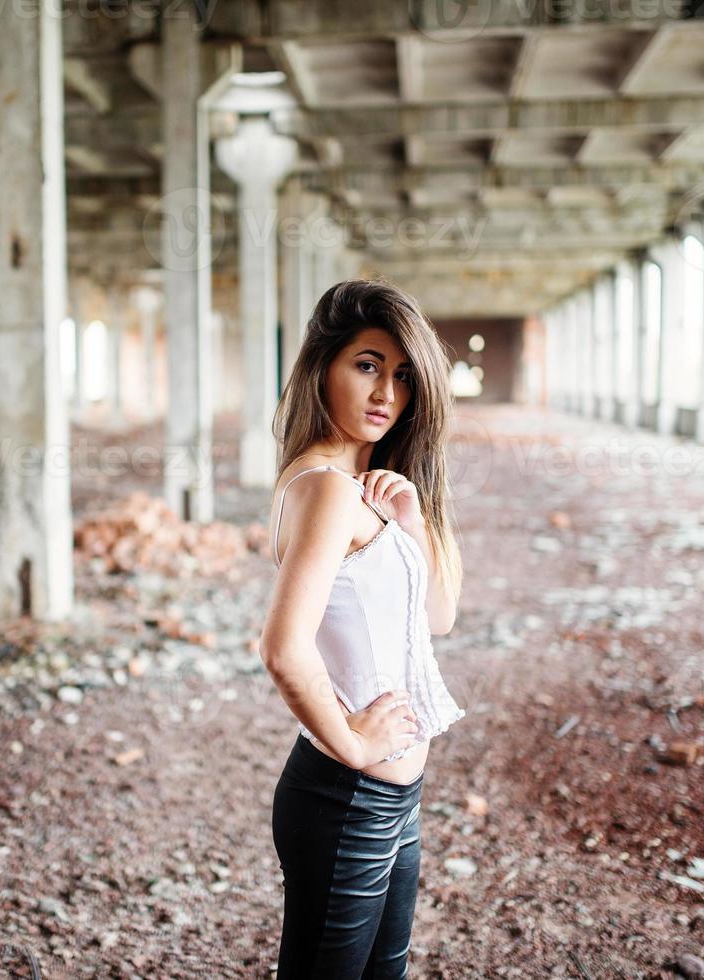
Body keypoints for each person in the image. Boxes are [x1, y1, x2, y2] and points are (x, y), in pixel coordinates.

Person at [259, 277, 466, 979]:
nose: (387, 393)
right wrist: (351, 743)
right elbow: (283, 649)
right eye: (367, 365)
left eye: (403, 376)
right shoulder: (322, 488)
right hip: (346, 797)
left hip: (390, 800)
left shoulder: (366, 493)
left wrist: (411, 523)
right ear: (323, 367)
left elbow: (439, 618)